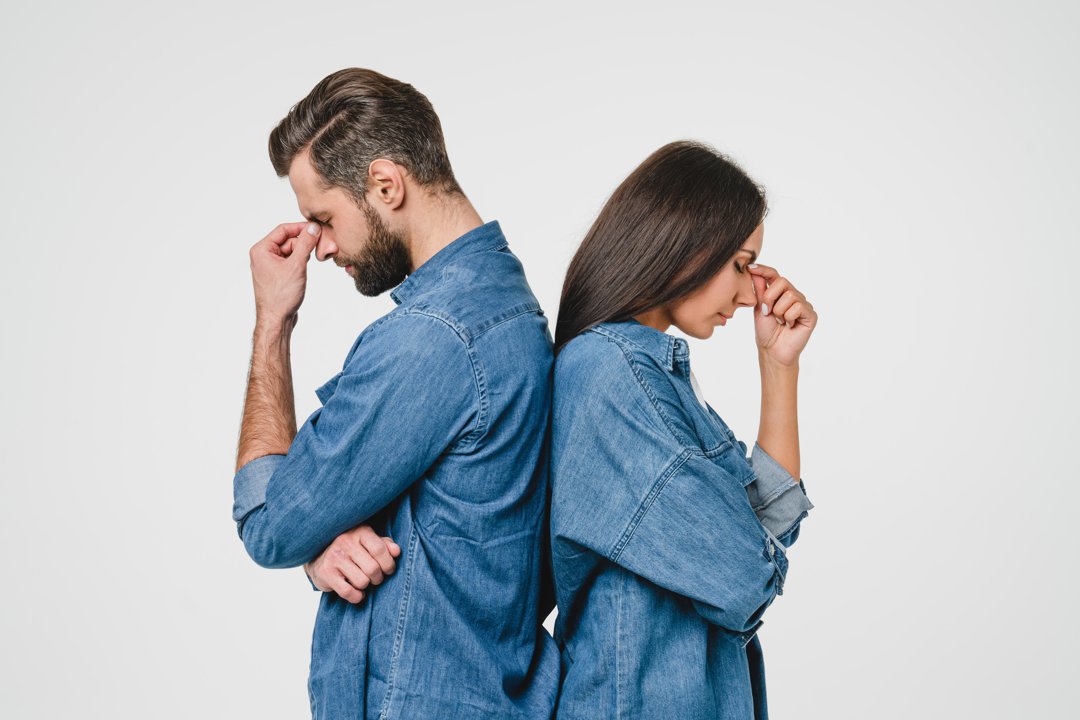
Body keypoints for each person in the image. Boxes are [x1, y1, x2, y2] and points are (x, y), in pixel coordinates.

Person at [231, 68, 559, 719]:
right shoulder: (510, 307)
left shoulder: (429, 340)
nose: (318, 247)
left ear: (386, 183)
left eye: (322, 218)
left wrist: (273, 322)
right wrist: (318, 544)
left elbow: (267, 522)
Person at [549, 140, 817, 719]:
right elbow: (747, 575)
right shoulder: (613, 373)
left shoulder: (646, 375)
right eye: (741, 265)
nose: (750, 294)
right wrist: (754, 553)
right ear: (685, 241)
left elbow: (767, 530)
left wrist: (779, 367)